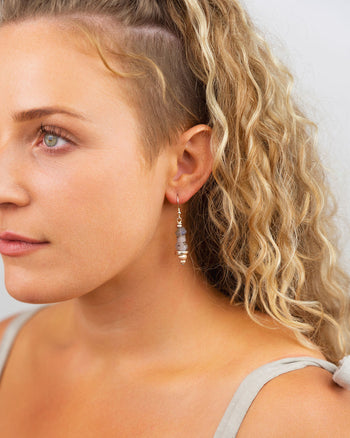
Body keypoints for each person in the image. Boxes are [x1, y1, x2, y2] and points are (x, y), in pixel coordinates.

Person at [0, 0, 349, 436]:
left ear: (184, 164)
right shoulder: (7, 347)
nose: (3, 189)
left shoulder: (294, 414)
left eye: (51, 137)